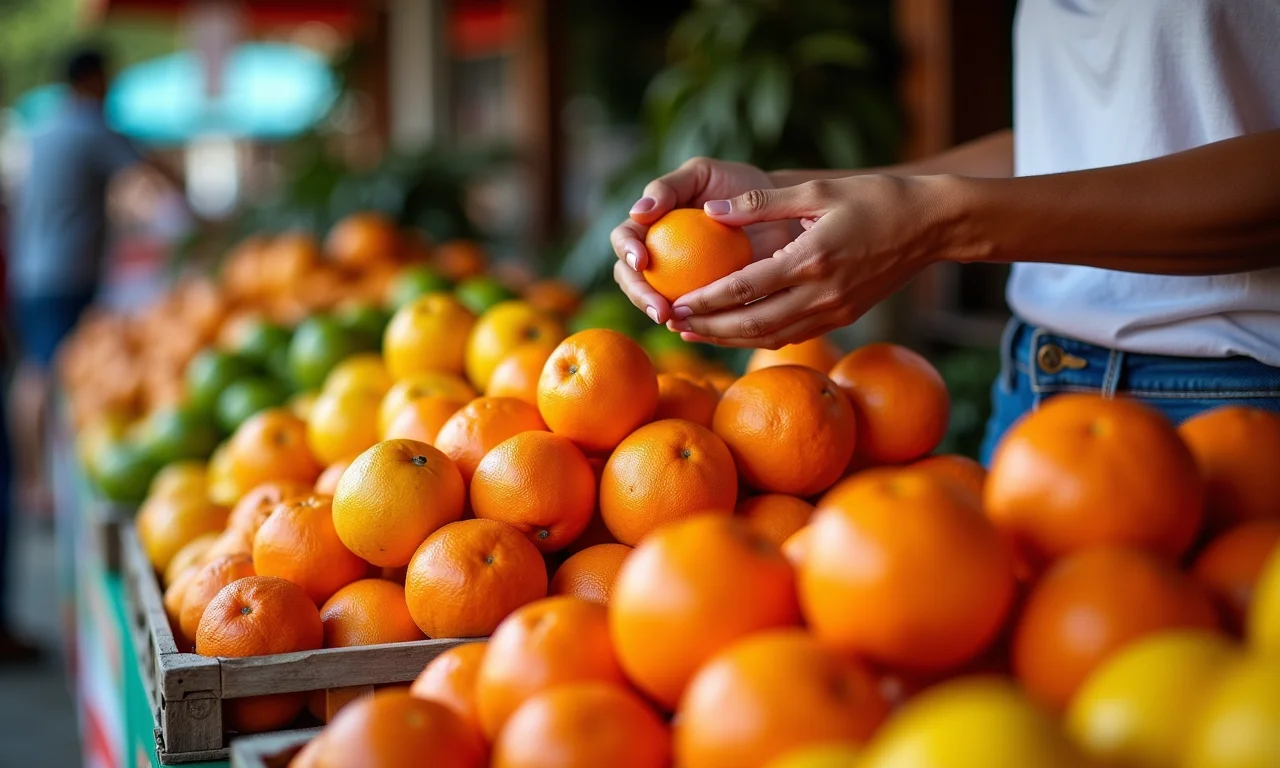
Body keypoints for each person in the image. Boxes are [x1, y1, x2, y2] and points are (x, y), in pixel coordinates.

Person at [612, 0, 1280, 465]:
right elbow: (1080, 141)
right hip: (1033, 387)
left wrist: (939, 222)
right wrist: (793, 204)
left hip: (1238, 411)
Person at [3, 46, 184, 661]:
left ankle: (31, 479)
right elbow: (147, 170)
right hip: (64, 272)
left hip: (32, 270)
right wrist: (191, 203)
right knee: (49, 370)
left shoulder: (43, 126)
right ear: (92, 79)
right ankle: (37, 482)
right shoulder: (90, 123)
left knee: (37, 371)